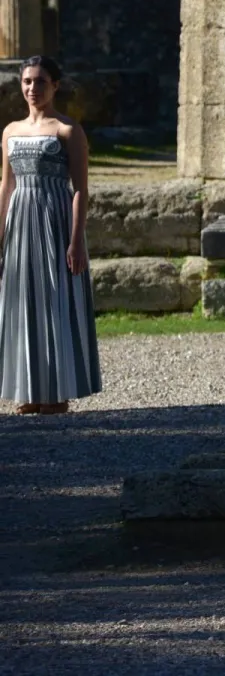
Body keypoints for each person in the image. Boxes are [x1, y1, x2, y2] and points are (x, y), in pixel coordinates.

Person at [0, 56, 99, 414]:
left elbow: (80, 189)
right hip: (20, 222)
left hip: (55, 221)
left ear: (55, 86)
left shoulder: (68, 130)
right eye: (27, 81)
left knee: (55, 302)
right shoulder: (10, 131)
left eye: (40, 81)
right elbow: (6, 186)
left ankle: (57, 393)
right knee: (21, 303)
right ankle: (29, 390)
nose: (32, 88)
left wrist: (76, 240)